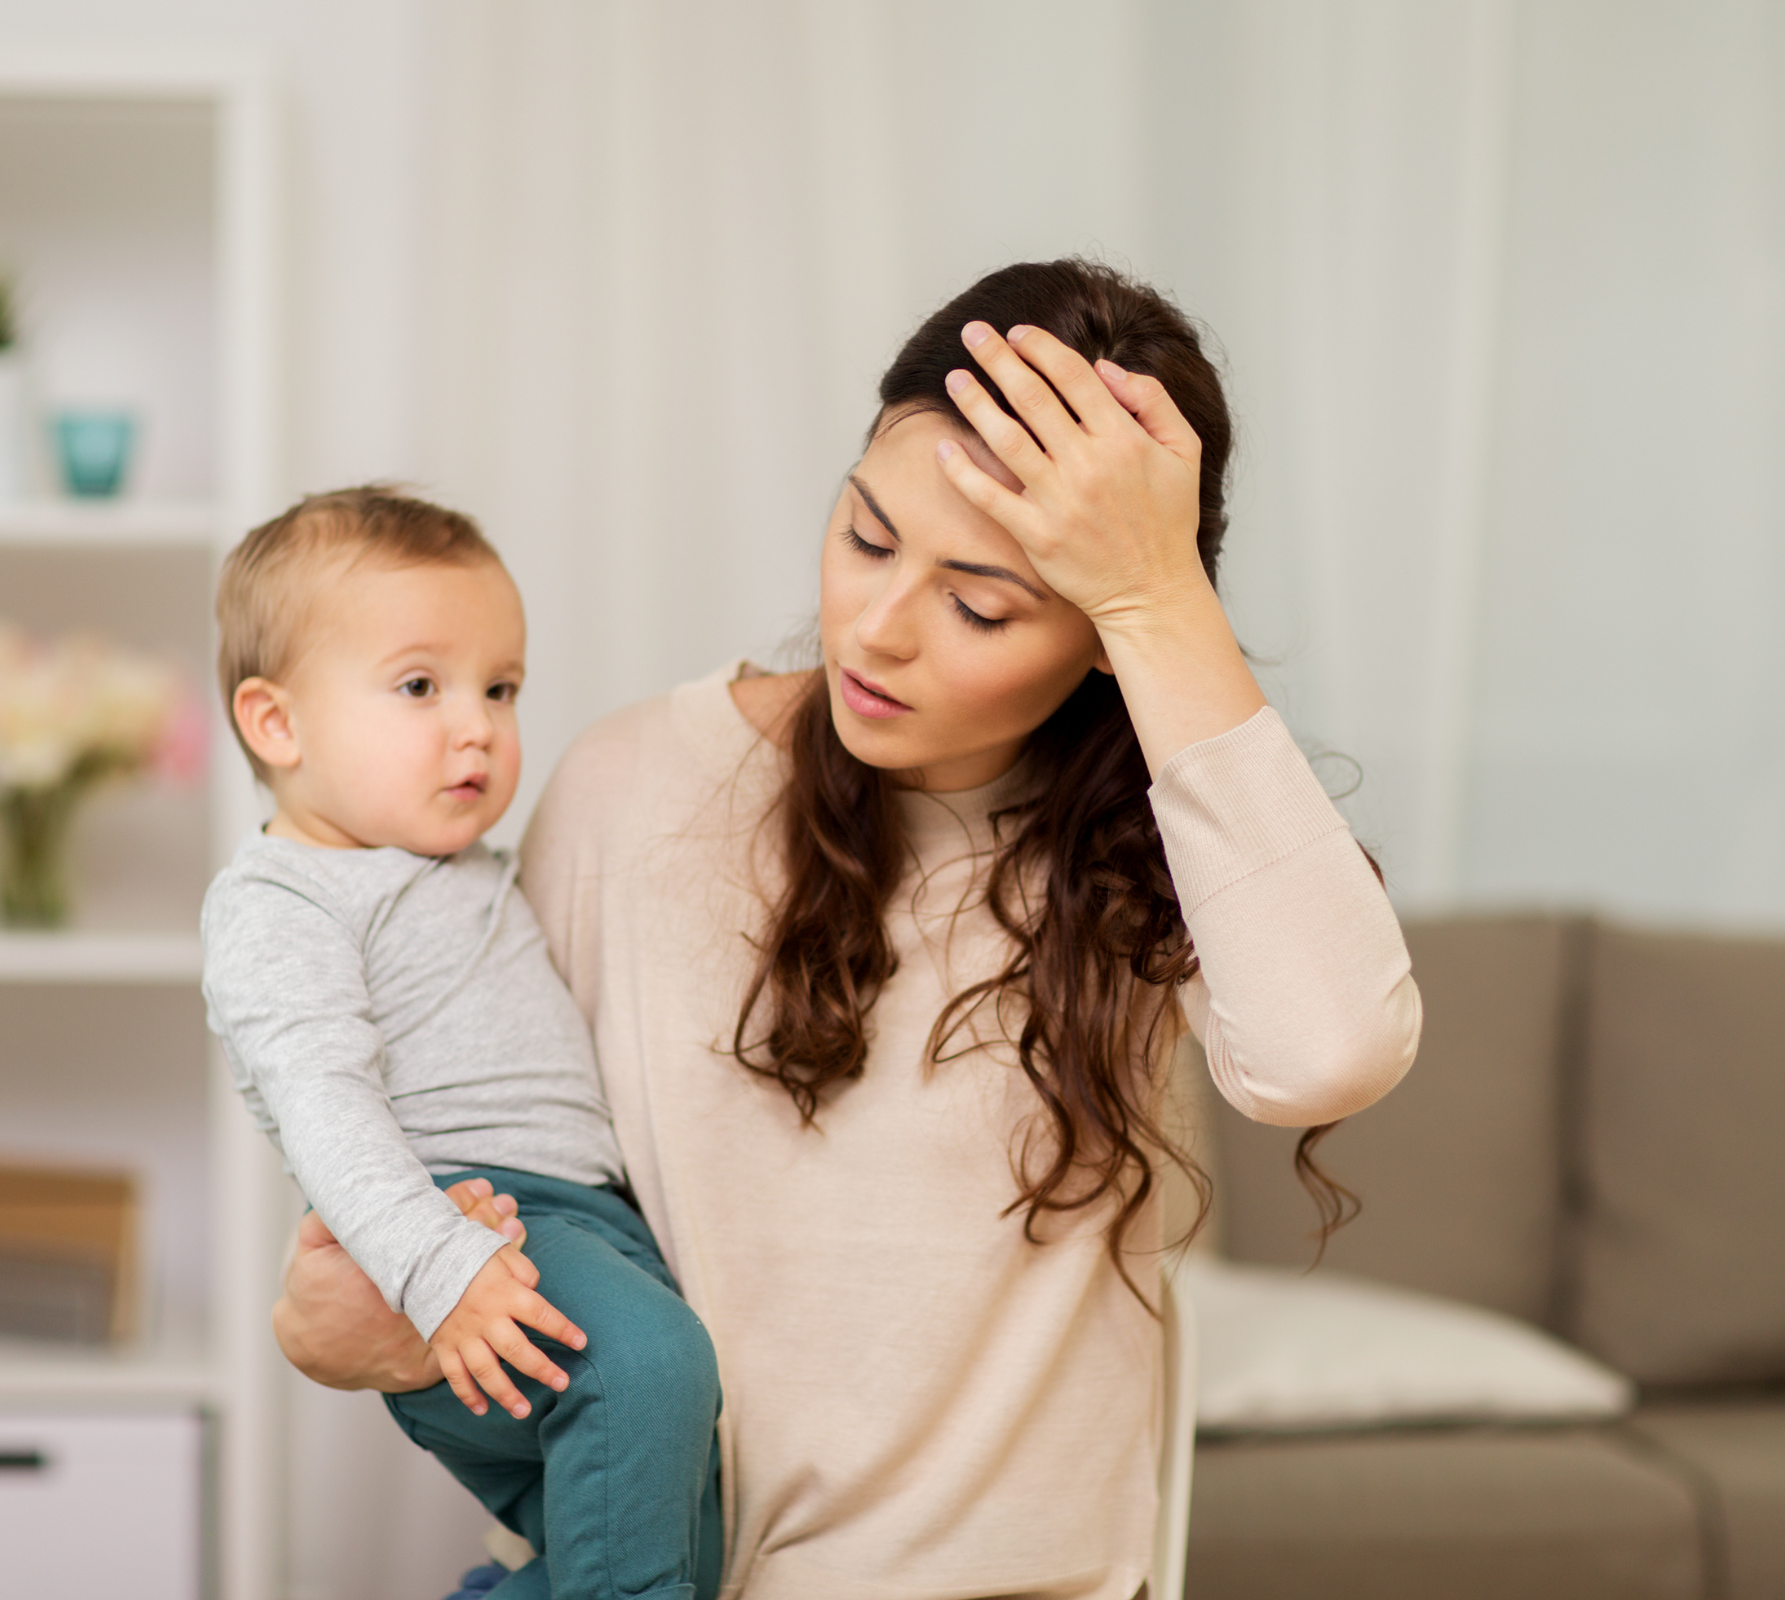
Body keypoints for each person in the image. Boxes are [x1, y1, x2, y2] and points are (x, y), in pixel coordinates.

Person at [275, 260, 1423, 1599]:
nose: (875, 630)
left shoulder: (1156, 850)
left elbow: (1330, 1052)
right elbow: (530, 1206)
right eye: (869, 536)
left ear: (1105, 631)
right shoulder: (634, 787)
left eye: (981, 603)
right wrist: (370, 1334)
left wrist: (1161, 600)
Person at [201, 489, 722, 1600]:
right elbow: (321, 1101)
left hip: (589, 1228)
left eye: (501, 687)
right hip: (467, 1230)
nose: (477, 724)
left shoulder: (465, 865)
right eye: (419, 686)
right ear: (276, 723)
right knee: (653, 1368)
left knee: (681, 1530)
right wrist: (445, 1271)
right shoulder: (280, 902)